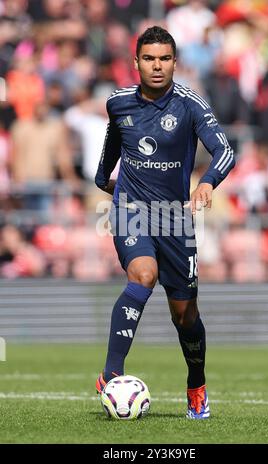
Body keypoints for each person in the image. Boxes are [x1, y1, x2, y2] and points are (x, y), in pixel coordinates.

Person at [95, 26, 235, 419]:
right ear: (135, 62)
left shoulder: (191, 104)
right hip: (131, 209)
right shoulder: (118, 103)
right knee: (142, 275)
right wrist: (104, 178)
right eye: (149, 58)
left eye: (165, 59)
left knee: (184, 314)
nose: (157, 66)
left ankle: (196, 385)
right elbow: (112, 145)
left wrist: (207, 182)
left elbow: (225, 150)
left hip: (175, 218)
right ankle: (111, 374)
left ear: (175, 62)